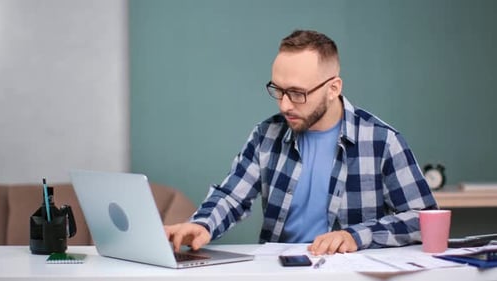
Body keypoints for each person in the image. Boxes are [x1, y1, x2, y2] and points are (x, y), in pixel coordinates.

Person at [165, 29, 437, 255]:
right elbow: (232, 196)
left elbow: (424, 220)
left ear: (333, 88)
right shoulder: (266, 135)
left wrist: (357, 236)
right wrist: (203, 225)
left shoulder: (382, 140)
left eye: (296, 93)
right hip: (281, 271)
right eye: (278, 90)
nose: (284, 105)